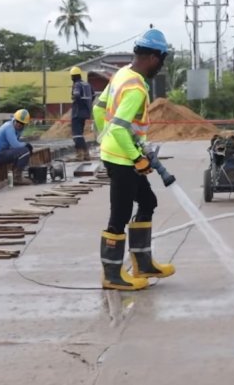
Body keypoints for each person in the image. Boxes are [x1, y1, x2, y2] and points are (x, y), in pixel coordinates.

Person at [93, 28, 175, 291]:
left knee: (148, 201)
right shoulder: (137, 87)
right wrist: (136, 157)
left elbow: (98, 108)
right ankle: (112, 275)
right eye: (161, 60)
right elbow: (118, 127)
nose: (160, 66)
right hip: (121, 159)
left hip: (119, 152)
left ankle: (143, 263)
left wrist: (103, 137)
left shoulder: (121, 75)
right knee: (119, 214)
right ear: (153, 57)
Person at [0, 109, 34, 186]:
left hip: (1, 153)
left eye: (22, 123)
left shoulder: (17, 129)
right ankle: (17, 178)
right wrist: (26, 145)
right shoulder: (9, 127)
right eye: (18, 121)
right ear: (14, 119)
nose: (19, 124)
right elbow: (15, 144)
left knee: (23, 152)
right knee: (25, 151)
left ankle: (13, 177)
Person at [69, 66, 94, 161]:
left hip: (77, 112)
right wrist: (87, 106)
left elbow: (76, 95)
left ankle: (81, 154)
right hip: (85, 112)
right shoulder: (87, 84)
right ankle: (85, 154)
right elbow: (93, 95)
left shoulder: (77, 84)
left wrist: (78, 104)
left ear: (73, 76)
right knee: (80, 134)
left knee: (76, 134)